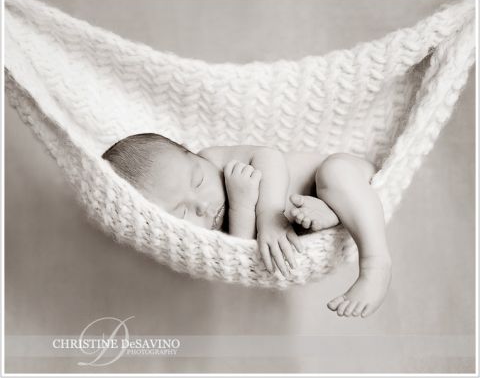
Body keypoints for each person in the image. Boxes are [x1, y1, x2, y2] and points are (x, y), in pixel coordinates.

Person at [102, 133, 392, 318]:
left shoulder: (214, 157)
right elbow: (240, 252)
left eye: (199, 181)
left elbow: (268, 156)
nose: (202, 204)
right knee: (305, 212)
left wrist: (269, 214)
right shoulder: (199, 240)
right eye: (182, 212)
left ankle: (376, 265)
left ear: (193, 154)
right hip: (311, 212)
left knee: (334, 173)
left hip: (352, 181)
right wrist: (241, 203)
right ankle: (331, 213)